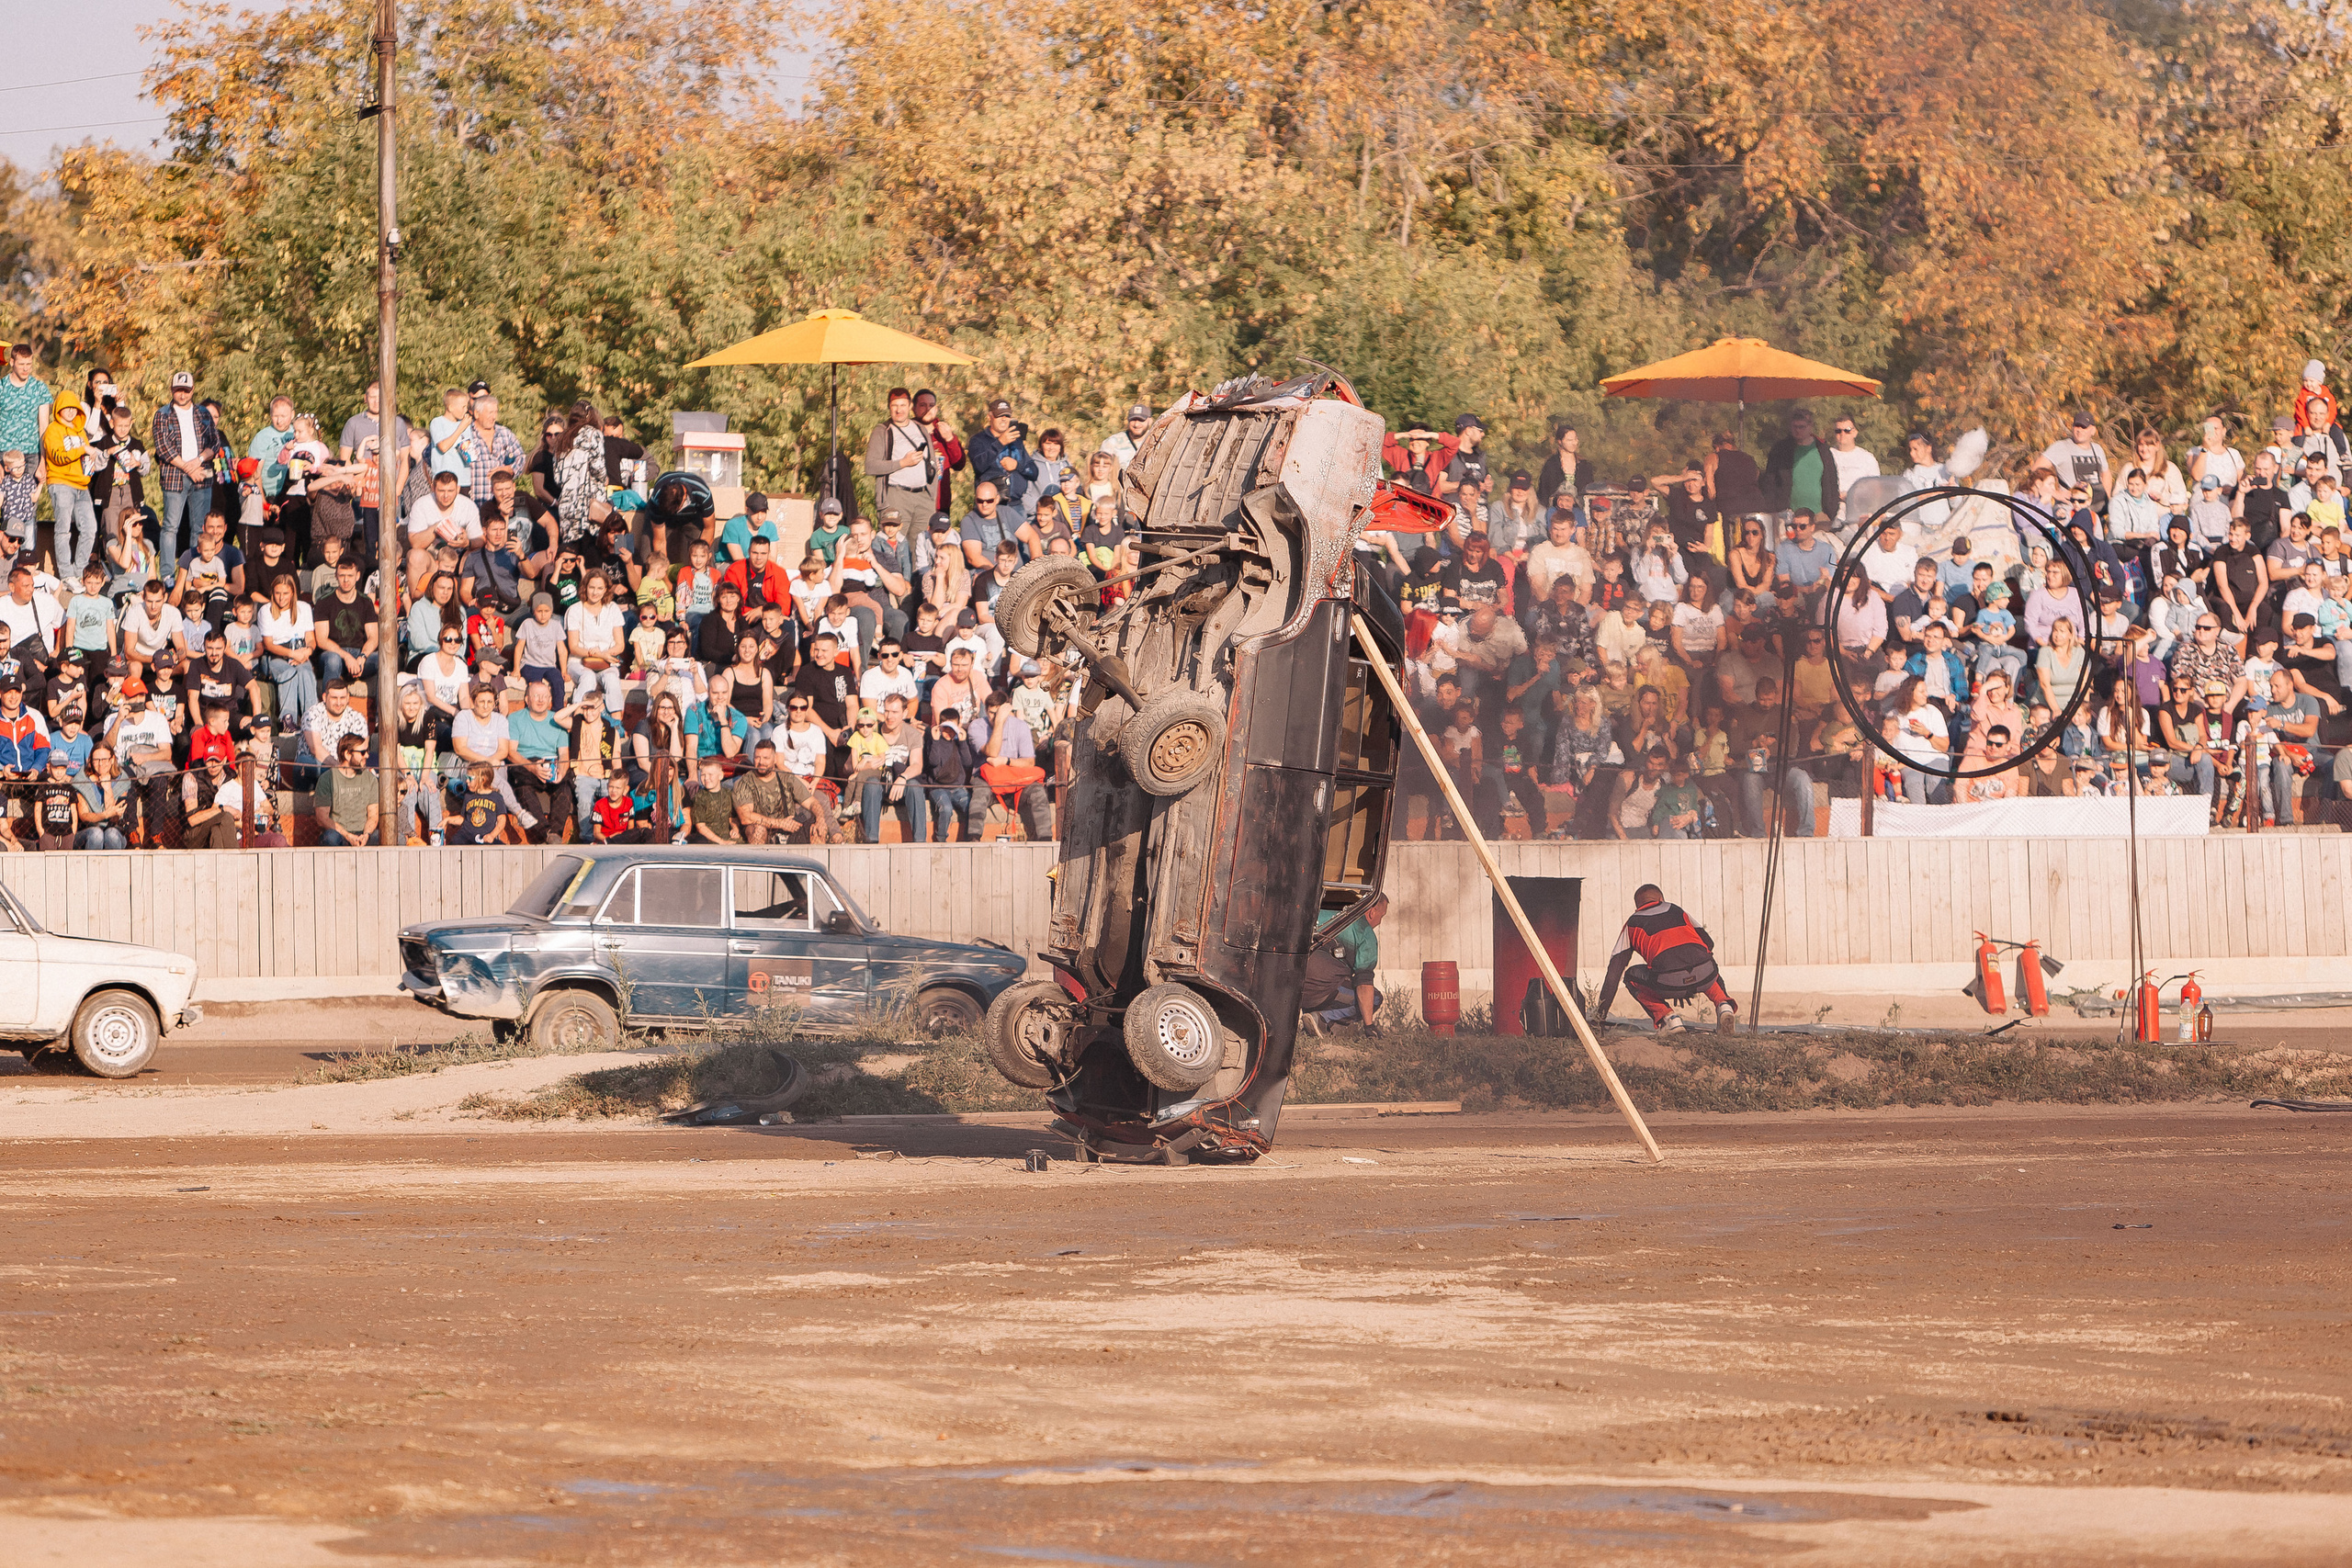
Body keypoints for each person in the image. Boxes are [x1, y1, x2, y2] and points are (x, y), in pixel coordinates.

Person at [1593, 884, 1736, 1033]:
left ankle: (1669, 1019)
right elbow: (1709, 944)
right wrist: (1688, 981)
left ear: (1637, 906)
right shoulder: (1678, 911)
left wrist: (1599, 1019)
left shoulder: (1632, 923)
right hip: (1704, 975)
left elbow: (1613, 975)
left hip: (1667, 982)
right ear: (1661, 899)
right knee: (1706, 962)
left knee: (1630, 976)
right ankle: (1724, 1006)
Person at [1297, 892, 1387, 1031]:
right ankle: (1322, 1019)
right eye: (1382, 916)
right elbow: (1364, 985)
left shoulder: (1318, 913)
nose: (1380, 922)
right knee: (1375, 998)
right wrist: (1369, 1026)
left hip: (1292, 989)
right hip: (1320, 993)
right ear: (1372, 912)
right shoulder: (1365, 933)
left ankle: (1311, 1022)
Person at [732, 738, 826, 844]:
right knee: (758, 831)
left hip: (790, 829)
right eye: (757, 758)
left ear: (775, 759)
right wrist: (780, 823)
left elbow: (812, 802)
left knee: (818, 829)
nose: (761, 762)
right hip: (763, 830)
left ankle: (815, 860)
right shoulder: (744, 782)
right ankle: (761, 860)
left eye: (766, 758)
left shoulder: (786, 778)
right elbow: (745, 817)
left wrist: (820, 819)